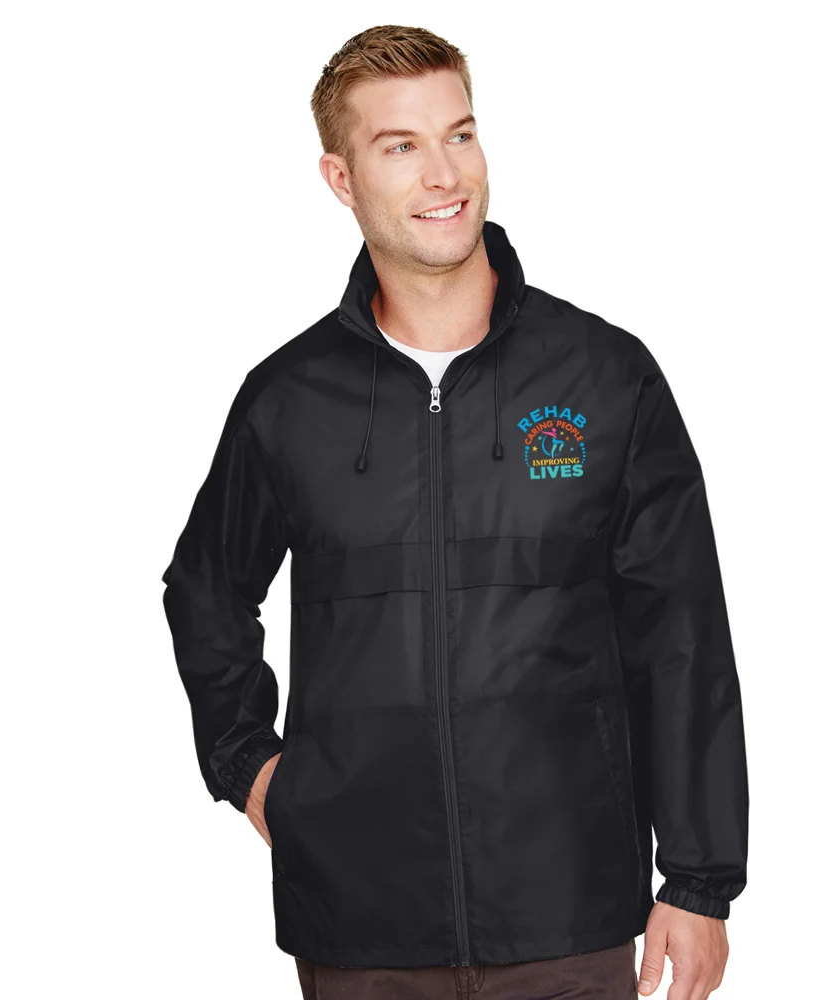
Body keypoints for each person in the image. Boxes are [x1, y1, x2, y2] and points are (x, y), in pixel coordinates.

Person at [160, 24, 748, 1000]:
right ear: (341, 178)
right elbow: (205, 591)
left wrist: (698, 880)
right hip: (358, 927)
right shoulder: (289, 400)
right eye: (401, 146)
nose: (445, 174)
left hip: (567, 919)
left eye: (460, 134)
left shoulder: (605, 377)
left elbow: (681, 633)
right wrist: (251, 767)